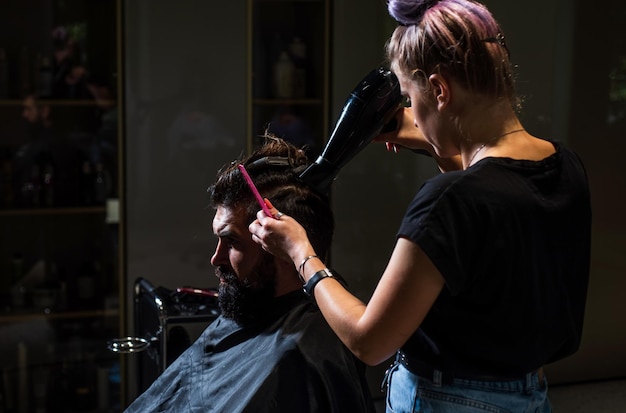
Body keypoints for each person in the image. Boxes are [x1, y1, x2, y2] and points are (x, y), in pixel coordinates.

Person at [249, 0, 592, 412]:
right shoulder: (564, 165)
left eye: (411, 98)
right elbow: (488, 207)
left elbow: (369, 340)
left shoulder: (448, 201)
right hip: (529, 396)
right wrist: (437, 139)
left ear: (440, 90)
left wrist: (300, 252)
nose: (409, 113)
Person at [123, 135, 375, 413]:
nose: (215, 259)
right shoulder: (253, 311)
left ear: (279, 246)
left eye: (231, 242)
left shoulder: (304, 354)